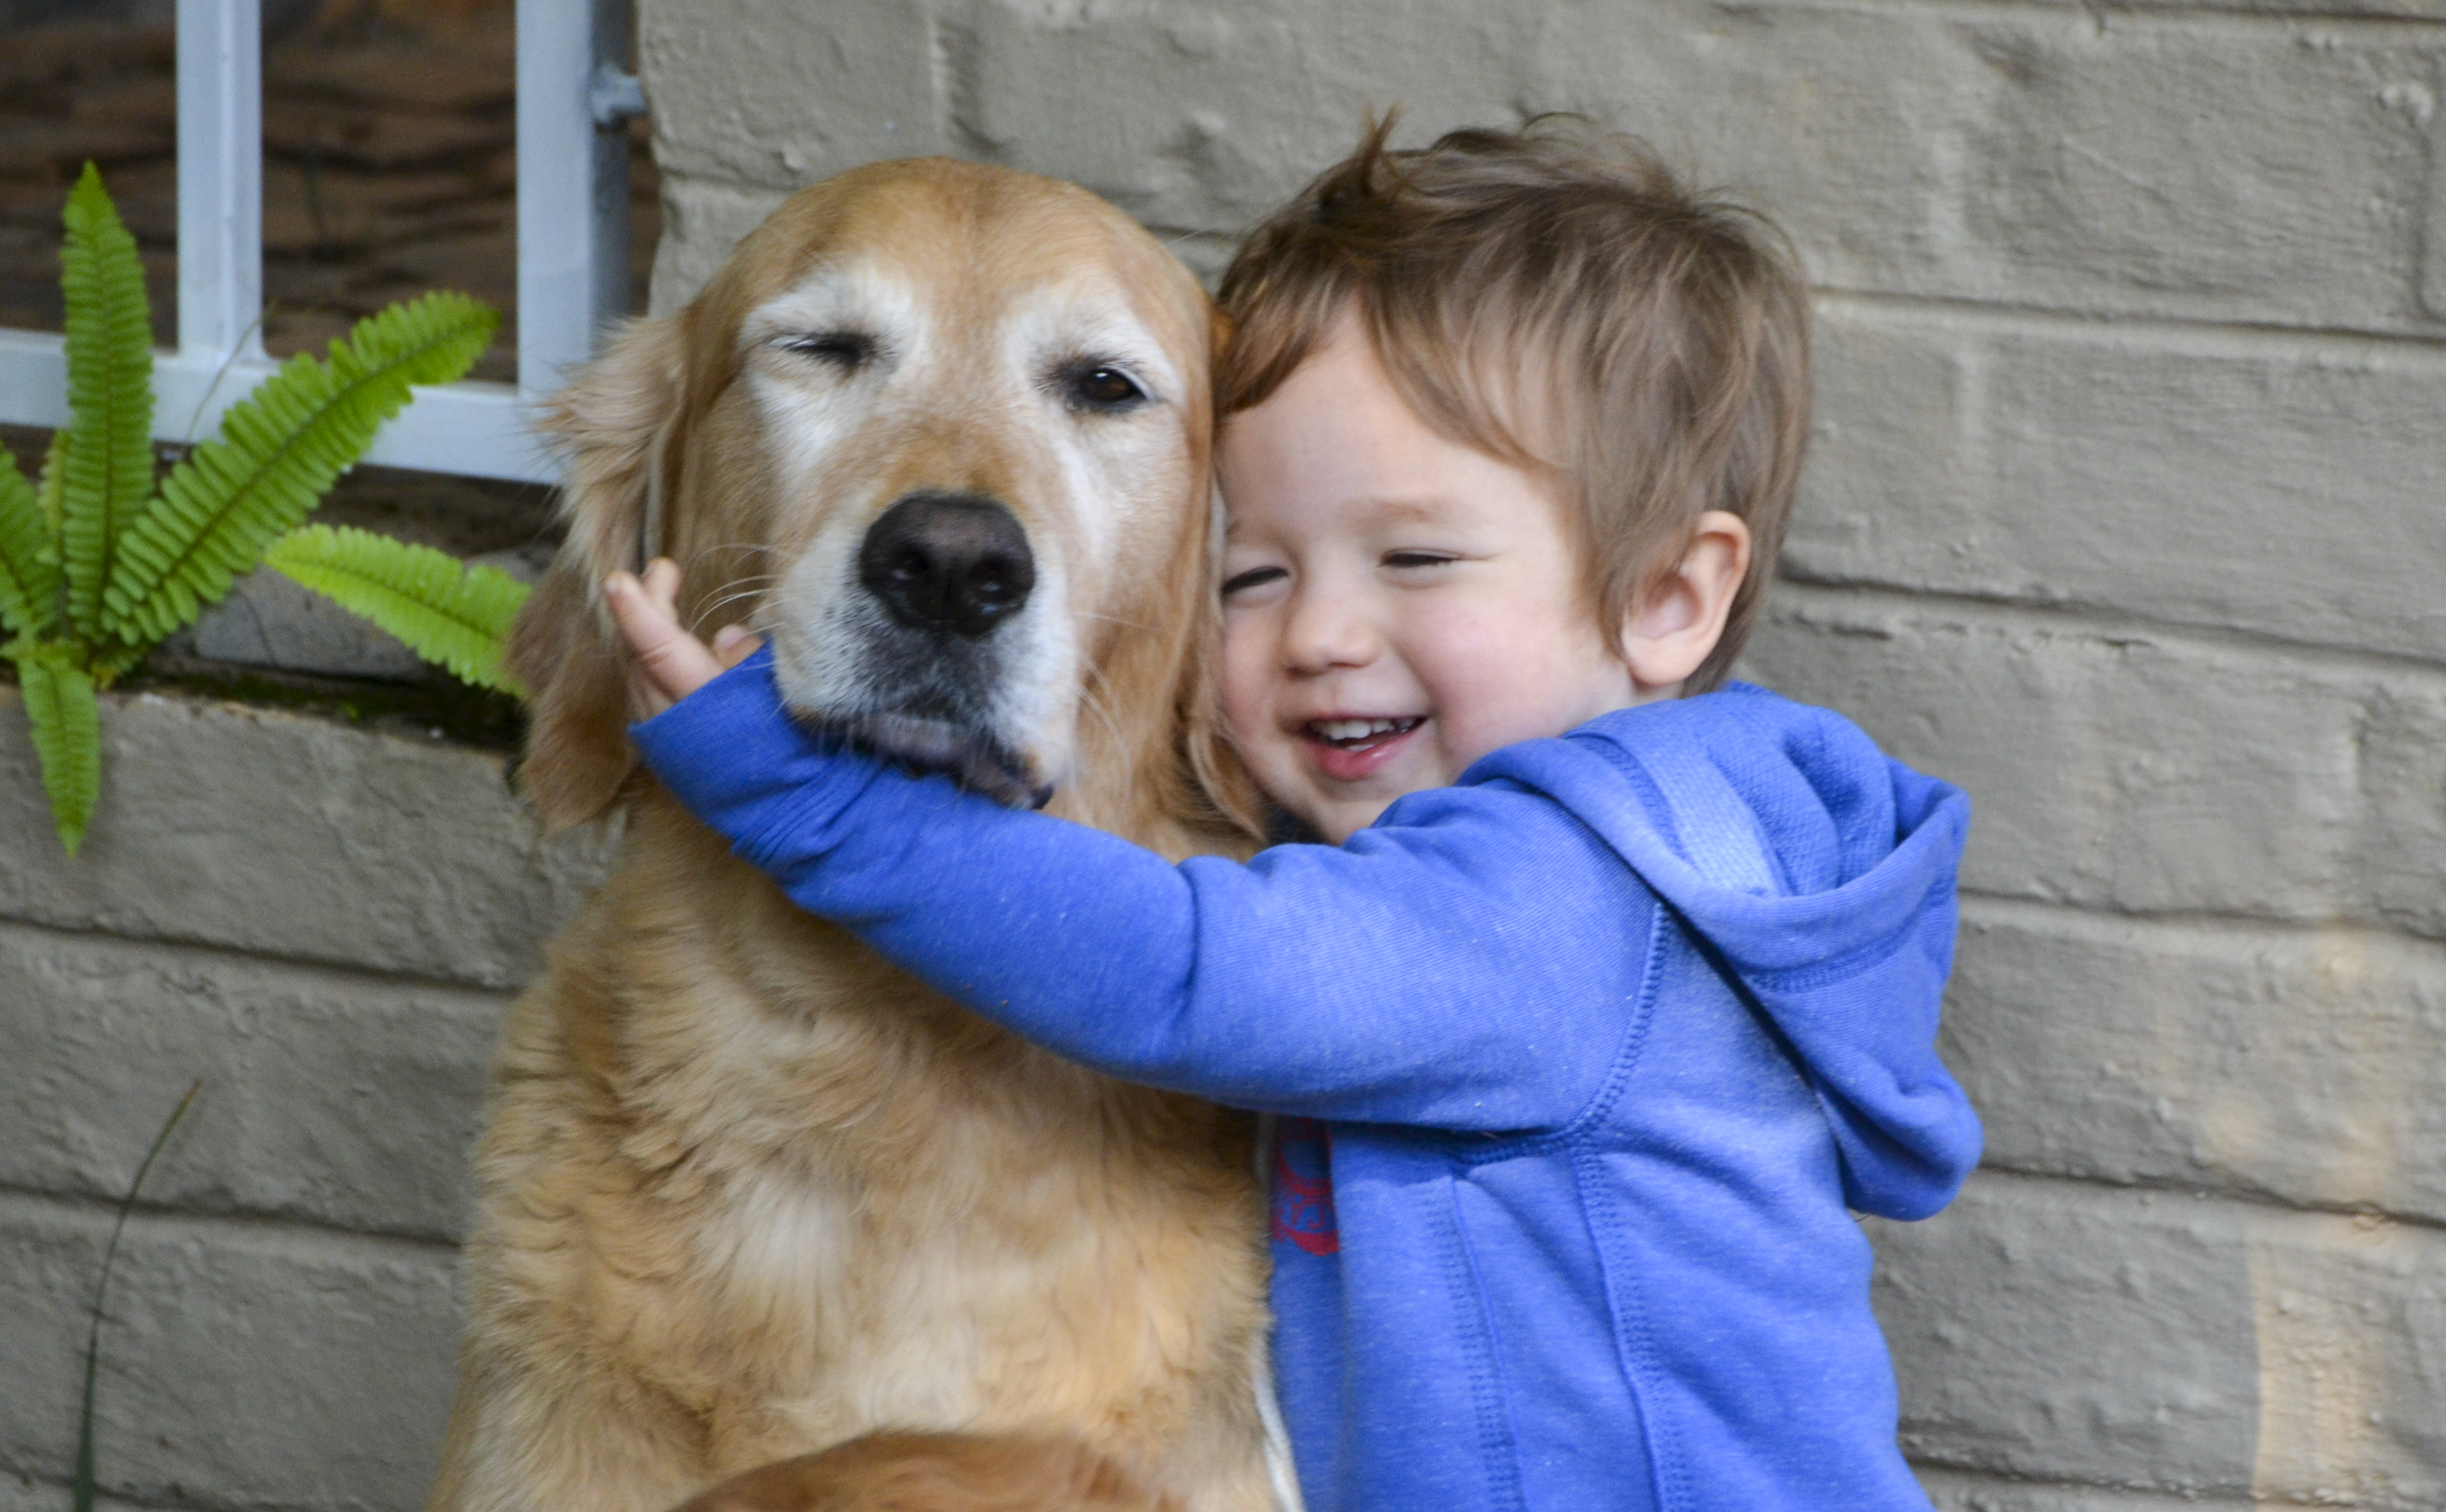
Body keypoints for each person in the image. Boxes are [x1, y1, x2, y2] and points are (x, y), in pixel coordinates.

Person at [604, 119, 1981, 1512]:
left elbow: (1180, 969)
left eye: (1417, 556)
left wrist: (795, 789)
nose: (1321, 631)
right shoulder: (1443, 875)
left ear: (1669, 598)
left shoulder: (1573, 898)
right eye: (1252, 572)